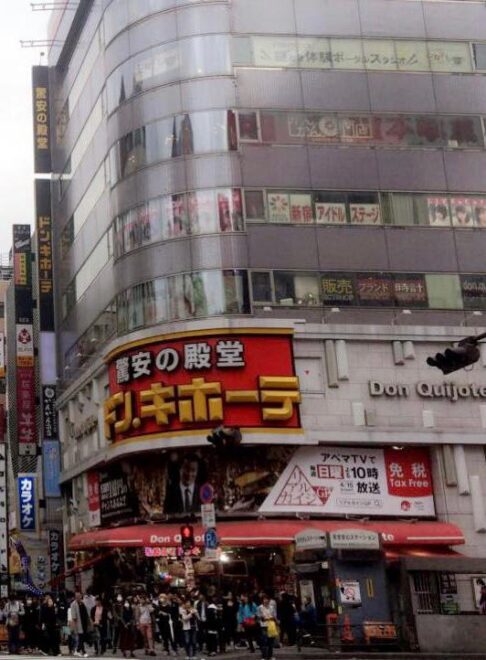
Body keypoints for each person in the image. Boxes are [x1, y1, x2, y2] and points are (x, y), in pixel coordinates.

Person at [257, 595, 279, 660]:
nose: (266, 600)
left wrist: (274, 620)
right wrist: (262, 618)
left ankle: (270, 656)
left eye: (267, 599)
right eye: (264, 599)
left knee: (271, 641)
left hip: (271, 625)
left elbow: (275, 616)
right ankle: (264, 656)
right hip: (263, 626)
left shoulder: (272, 607)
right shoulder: (260, 607)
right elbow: (258, 616)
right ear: (262, 600)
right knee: (264, 641)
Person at [70, 591, 91, 657]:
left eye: (79, 596)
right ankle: (84, 652)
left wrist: (89, 621)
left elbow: (87, 612)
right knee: (81, 637)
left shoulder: (83, 602)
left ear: (81, 596)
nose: (78, 597)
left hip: (84, 622)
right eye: (76, 596)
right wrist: (74, 625)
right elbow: (73, 616)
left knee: (82, 637)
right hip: (78, 623)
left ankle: (77, 650)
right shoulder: (73, 604)